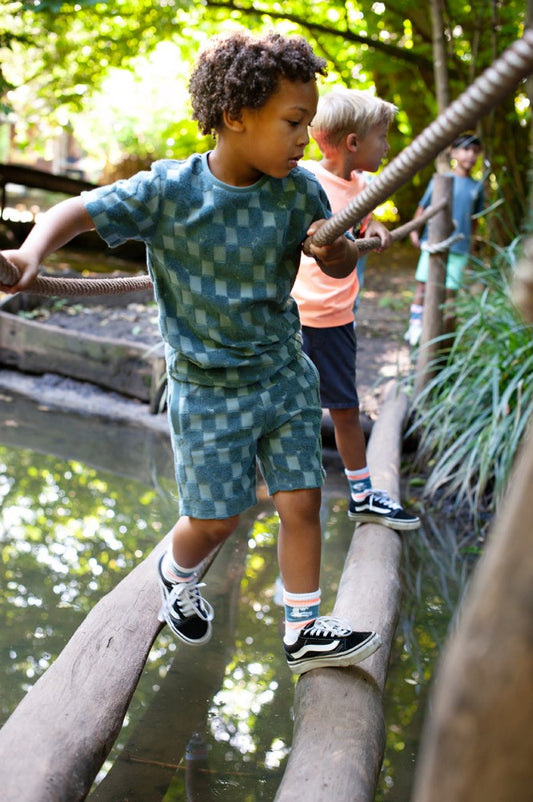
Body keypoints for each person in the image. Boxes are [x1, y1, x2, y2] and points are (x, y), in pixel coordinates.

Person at [0, 31, 382, 675]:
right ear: (235, 116)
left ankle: (303, 628)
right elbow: (75, 211)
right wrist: (28, 255)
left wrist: (336, 249)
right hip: (207, 387)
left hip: (283, 373)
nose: (304, 139)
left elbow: (338, 265)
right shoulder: (169, 190)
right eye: (293, 122)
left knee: (302, 499)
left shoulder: (299, 193)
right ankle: (176, 574)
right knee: (216, 520)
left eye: (309, 123)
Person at [292, 88, 420, 531]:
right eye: (381, 137)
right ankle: (273, 480)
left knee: (345, 408)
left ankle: (362, 495)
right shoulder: (304, 181)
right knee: (289, 406)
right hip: (293, 318)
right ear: (352, 143)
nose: (386, 145)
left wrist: (377, 225)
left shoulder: (363, 187)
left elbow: (364, 218)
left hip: (336, 320)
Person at [405, 132, 484, 346]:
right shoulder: (440, 180)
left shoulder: (477, 187)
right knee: (423, 287)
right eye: (466, 149)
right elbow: (423, 207)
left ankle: (445, 337)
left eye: (475, 151)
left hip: (459, 247)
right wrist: (414, 231)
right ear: (454, 152)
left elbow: (475, 219)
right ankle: (415, 327)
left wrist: (471, 243)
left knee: (450, 293)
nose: (471, 155)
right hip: (434, 243)